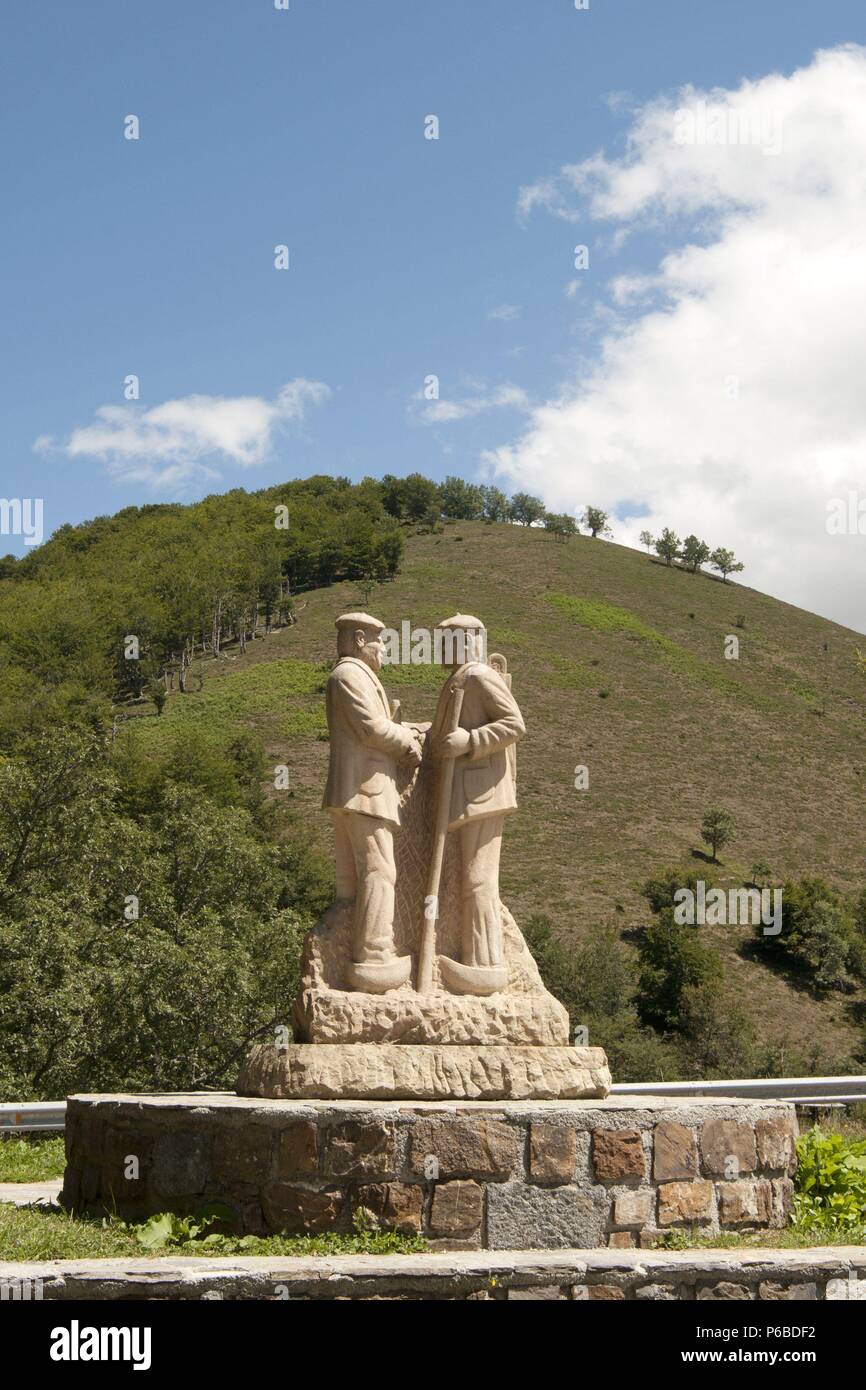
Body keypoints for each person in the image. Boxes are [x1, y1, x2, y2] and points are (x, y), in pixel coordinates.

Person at [323, 612, 422, 992]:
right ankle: (374, 951)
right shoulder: (349, 675)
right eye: (381, 643)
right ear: (361, 639)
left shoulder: (355, 676)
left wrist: (400, 726)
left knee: (354, 880)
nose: (385, 652)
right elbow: (371, 728)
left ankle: (349, 948)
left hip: (360, 789)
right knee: (380, 872)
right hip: (364, 789)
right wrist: (407, 742)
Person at [430, 613, 525, 994]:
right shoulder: (458, 678)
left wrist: (468, 742)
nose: (436, 648)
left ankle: (485, 965)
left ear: (465, 641)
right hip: (465, 793)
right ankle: (476, 958)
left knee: (478, 879)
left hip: (483, 790)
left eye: (443, 640)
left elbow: (514, 724)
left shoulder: (478, 676)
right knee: (468, 879)